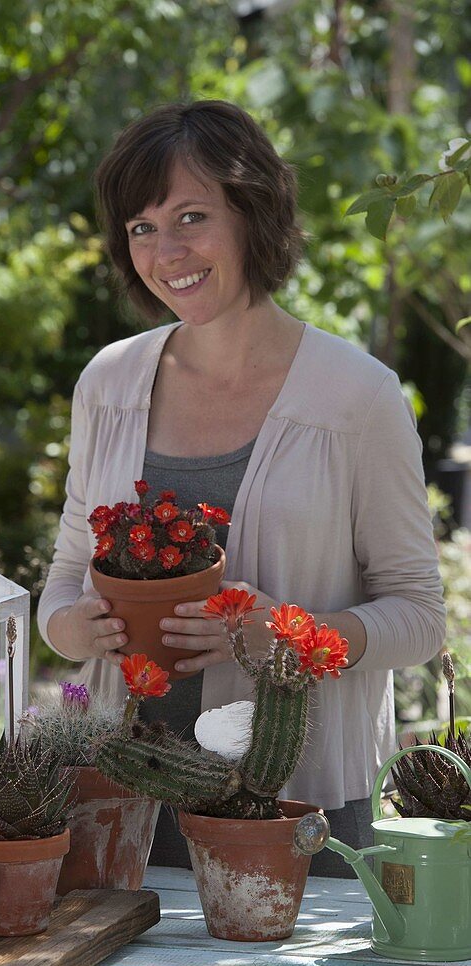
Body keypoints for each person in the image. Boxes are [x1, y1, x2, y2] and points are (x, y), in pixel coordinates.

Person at [37, 100, 446, 874]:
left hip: (298, 811)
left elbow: (420, 619)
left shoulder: (358, 397)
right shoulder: (110, 382)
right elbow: (63, 580)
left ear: (254, 214)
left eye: (192, 216)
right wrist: (74, 630)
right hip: (119, 804)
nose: (167, 251)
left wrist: (285, 637)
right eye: (142, 228)